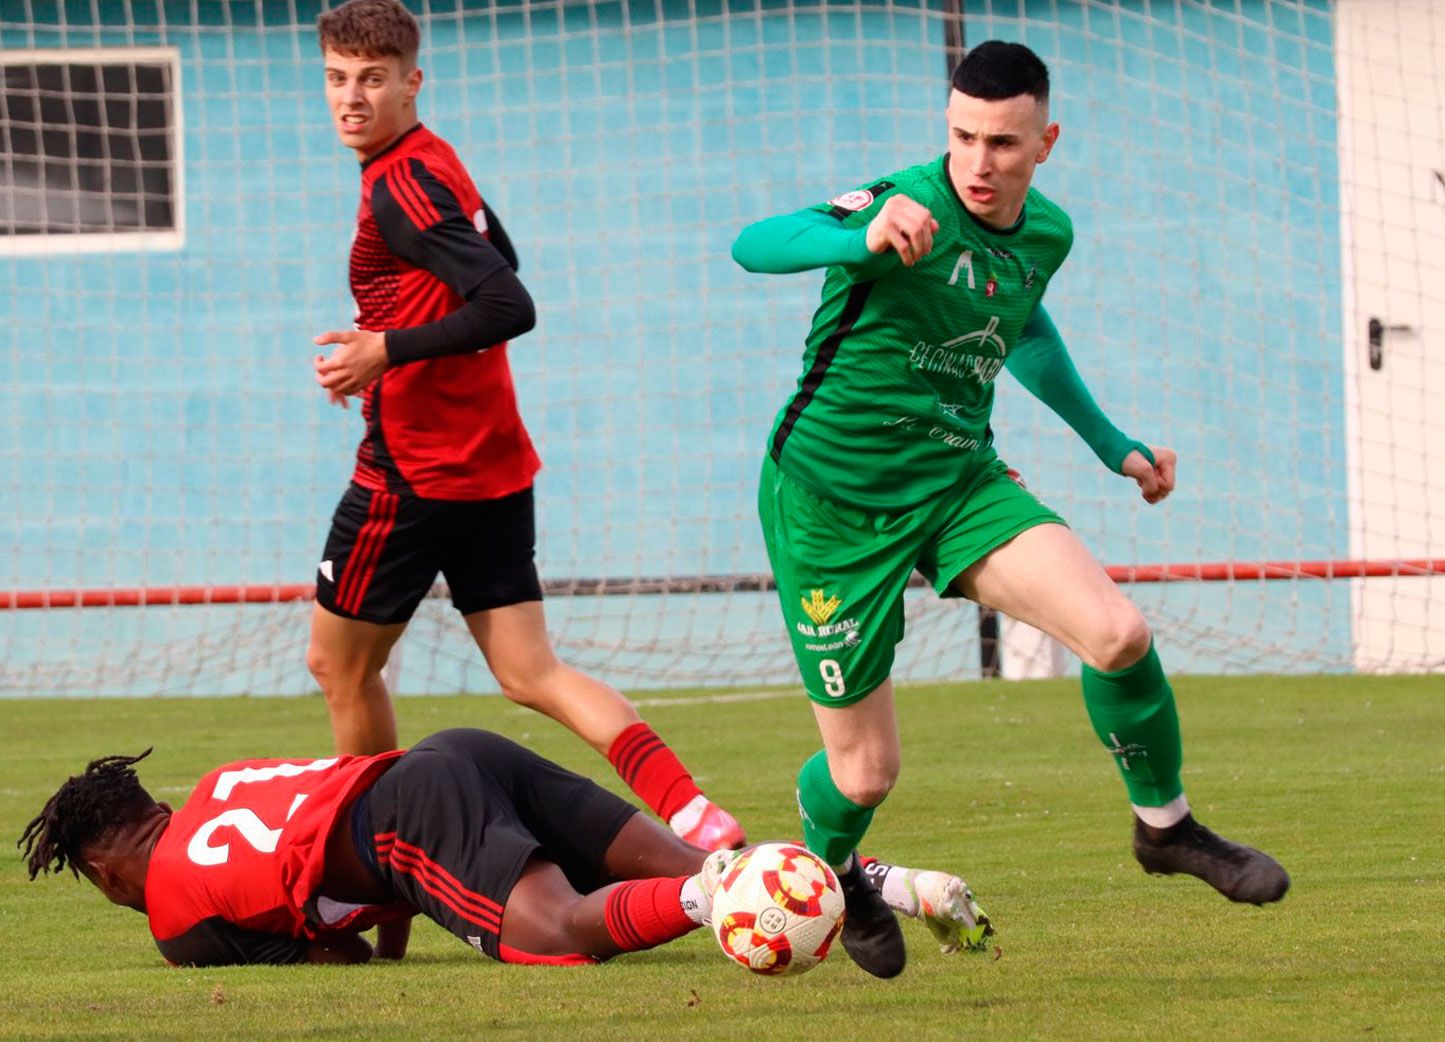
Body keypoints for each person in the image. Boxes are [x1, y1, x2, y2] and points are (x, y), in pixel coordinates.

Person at [731, 40, 1290, 979]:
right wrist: (854, 238)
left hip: (957, 482)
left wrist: (1111, 442)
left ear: (1046, 141)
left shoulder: (1046, 234)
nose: (978, 163)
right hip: (829, 500)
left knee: (1117, 633)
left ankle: (1167, 828)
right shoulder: (900, 202)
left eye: (1001, 142)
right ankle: (834, 867)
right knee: (866, 773)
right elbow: (753, 243)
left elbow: (1020, 324)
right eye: (961, 137)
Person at [303, 0, 742, 947]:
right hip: (493, 460)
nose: (352, 97)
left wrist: (385, 353)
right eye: (338, 77)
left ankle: (386, 881)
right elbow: (497, 254)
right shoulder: (435, 161)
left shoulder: (398, 186)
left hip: (411, 477)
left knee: (338, 665)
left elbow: (508, 299)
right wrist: (392, 354)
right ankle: (695, 814)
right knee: (528, 669)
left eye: (372, 80)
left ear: (411, 82)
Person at [18, 731, 992, 968]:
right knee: (682, 859)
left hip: (407, 818)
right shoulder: (227, 779)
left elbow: (336, 952)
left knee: (557, 936)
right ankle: (885, 879)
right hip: (454, 754)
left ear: (104, 870)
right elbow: (331, 875)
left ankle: (718, 910)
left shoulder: (175, 919)